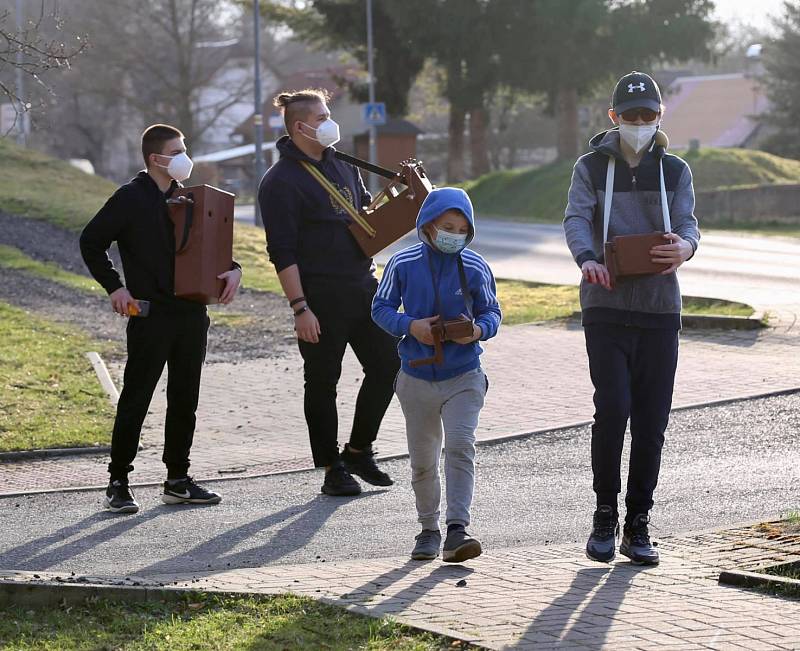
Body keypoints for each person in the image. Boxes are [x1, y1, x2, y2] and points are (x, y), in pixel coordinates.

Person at [563, 71, 700, 565]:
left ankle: (638, 522)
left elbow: (687, 223)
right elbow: (576, 217)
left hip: (661, 310)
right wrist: (588, 259)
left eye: (647, 116)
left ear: (659, 116)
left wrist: (685, 246)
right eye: (630, 115)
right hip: (605, 305)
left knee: (651, 422)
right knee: (613, 409)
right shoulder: (591, 167)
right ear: (613, 116)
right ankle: (605, 515)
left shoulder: (675, 170)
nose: (639, 123)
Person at [80, 124, 242, 514]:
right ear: (157, 158)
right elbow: (91, 241)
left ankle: (177, 480)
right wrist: (115, 288)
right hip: (150, 317)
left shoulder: (188, 197)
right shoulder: (130, 198)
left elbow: (209, 250)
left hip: (192, 315)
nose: (186, 157)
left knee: (185, 400)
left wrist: (234, 269)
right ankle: (118, 482)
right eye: (178, 150)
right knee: (137, 398)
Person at [258, 89, 399, 497]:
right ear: (300, 127)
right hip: (319, 298)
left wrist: (401, 195)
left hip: (363, 288)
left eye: (327, 114)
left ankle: (358, 450)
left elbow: (365, 216)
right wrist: (300, 307)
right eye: (322, 117)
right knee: (323, 382)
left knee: (389, 364)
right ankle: (330, 466)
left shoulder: (342, 164)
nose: (329, 122)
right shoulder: (280, 182)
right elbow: (280, 251)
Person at [372, 187, 501, 562]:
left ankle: (458, 530)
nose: (454, 235)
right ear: (428, 225)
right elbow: (380, 308)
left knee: (461, 445)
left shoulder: (476, 266)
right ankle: (428, 529)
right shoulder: (403, 262)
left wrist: (476, 330)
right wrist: (411, 326)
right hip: (415, 377)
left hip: (464, 375)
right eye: (447, 226)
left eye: (462, 229)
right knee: (423, 459)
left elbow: (493, 313)